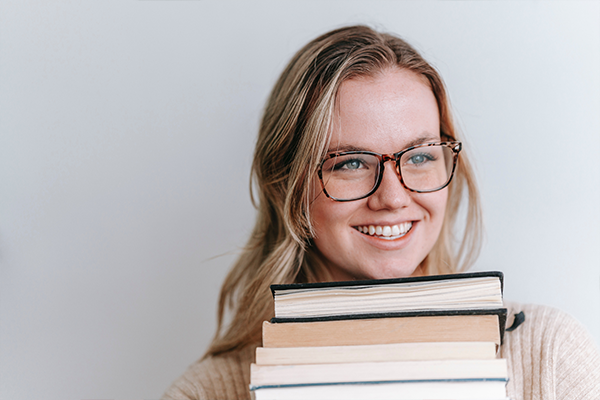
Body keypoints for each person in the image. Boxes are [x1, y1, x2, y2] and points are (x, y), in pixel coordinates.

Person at [163, 25, 600, 400]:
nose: (393, 197)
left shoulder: (549, 358)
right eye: (350, 163)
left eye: (420, 156)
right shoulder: (207, 392)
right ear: (287, 184)